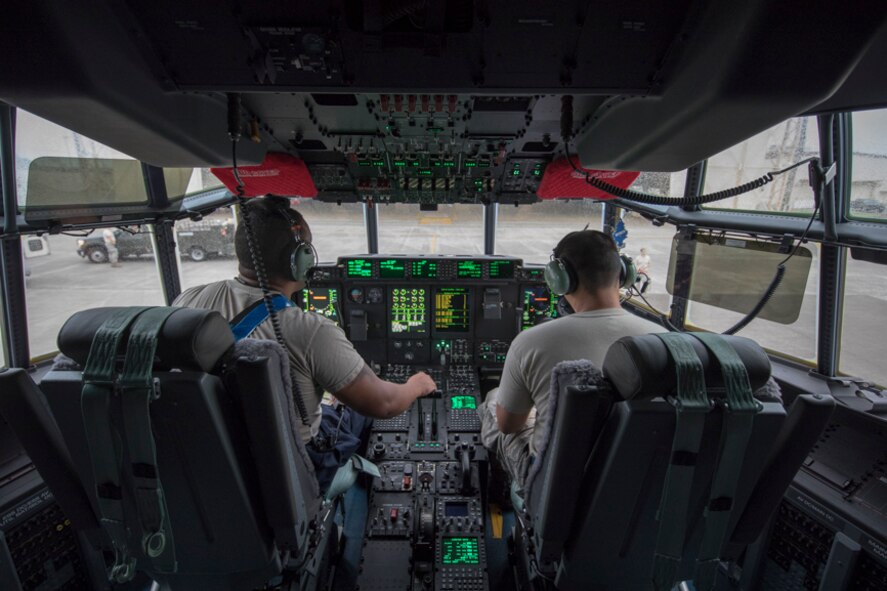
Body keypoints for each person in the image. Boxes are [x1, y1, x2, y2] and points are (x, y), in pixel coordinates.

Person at [174, 195, 437, 491]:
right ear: (300, 260)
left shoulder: (187, 301)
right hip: (289, 469)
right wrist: (417, 384)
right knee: (353, 413)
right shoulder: (308, 330)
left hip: (214, 460)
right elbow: (385, 404)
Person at [479, 230, 663, 490]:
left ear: (559, 279)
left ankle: (504, 491)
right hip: (635, 481)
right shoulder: (664, 340)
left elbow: (508, 426)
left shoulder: (532, 341)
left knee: (494, 402)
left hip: (554, 483)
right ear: (623, 274)